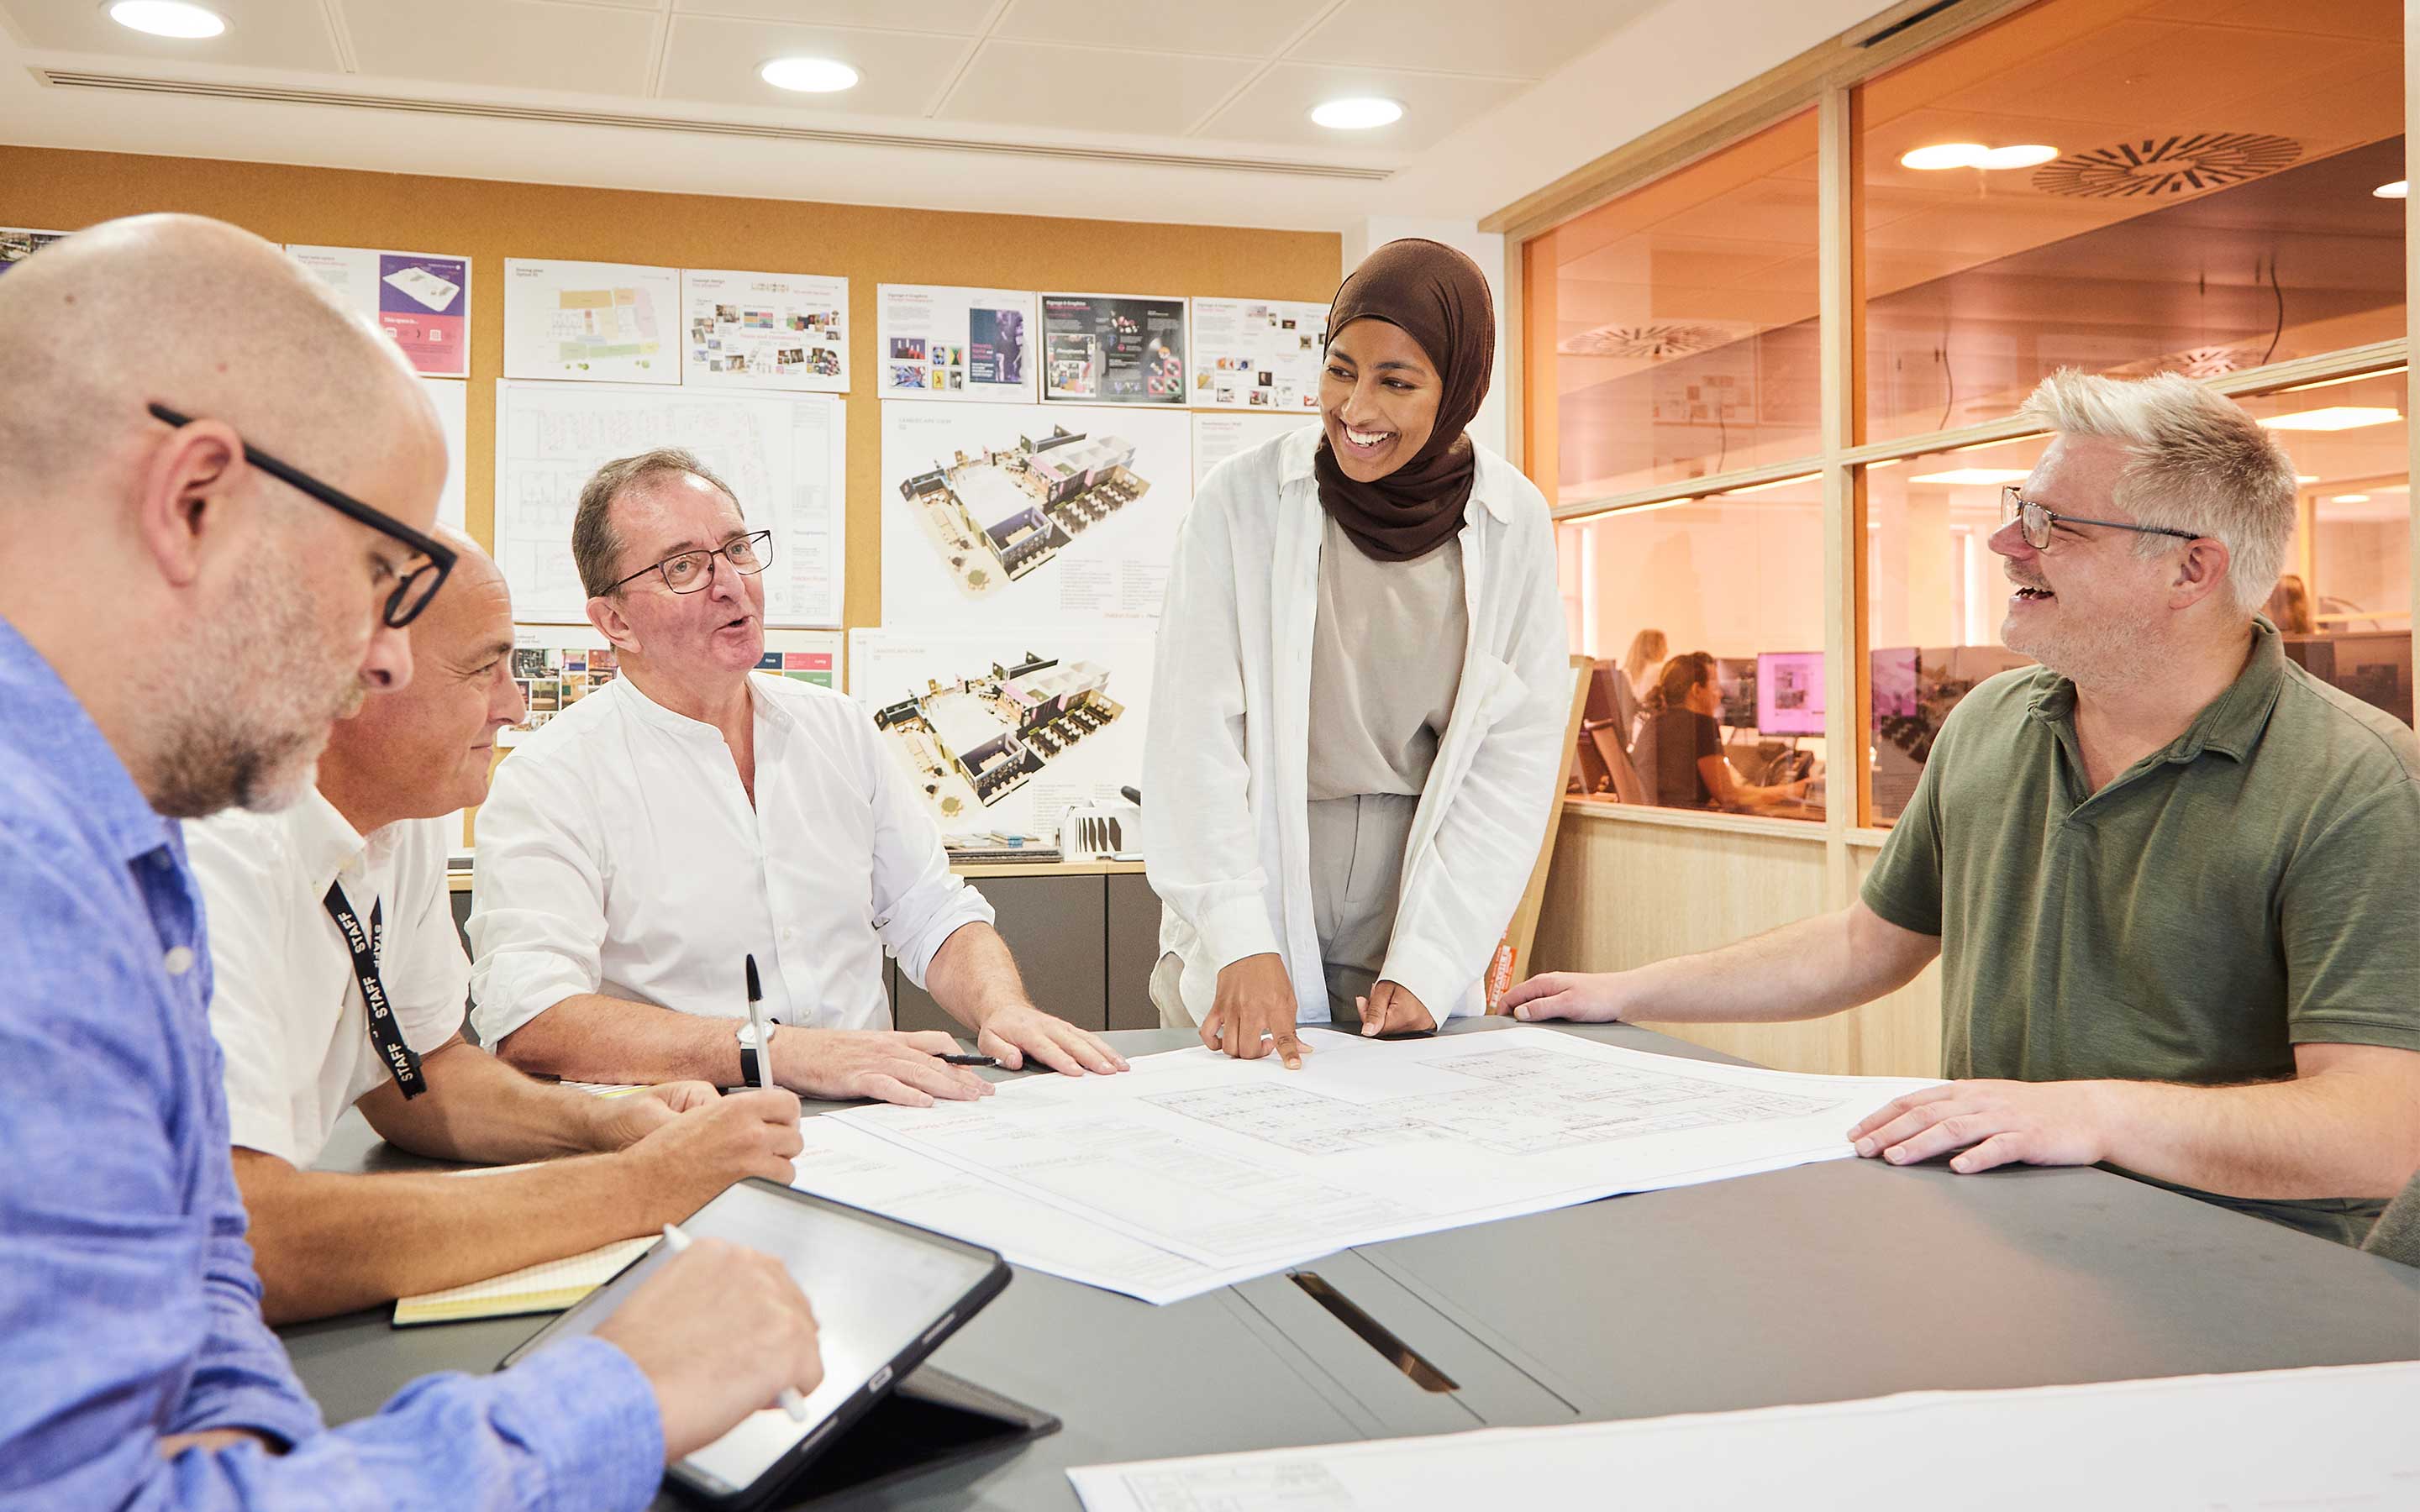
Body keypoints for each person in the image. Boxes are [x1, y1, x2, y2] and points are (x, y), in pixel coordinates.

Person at [0, 215, 818, 1507]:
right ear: (193, 502)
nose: (377, 659)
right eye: (375, 572)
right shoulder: (33, 878)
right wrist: (612, 1391)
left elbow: (205, 1311)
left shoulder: (110, 834)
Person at [1506, 371, 2420, 1247]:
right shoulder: (1992, 724)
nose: (2007, 545)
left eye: (2055, 525)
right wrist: (1626, 992)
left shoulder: (2356, 783)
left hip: (2242, 1277)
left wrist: (2096, 1113)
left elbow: (2379, 1129)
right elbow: (1867, 945)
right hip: (2003, 1233)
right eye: (2020, 510)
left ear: (2191, 569)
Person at [188, 529, 805, 1324]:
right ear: (352, 677)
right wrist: (646, 1186)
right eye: (485, 669)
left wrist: (602, 1125)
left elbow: (419, 1073)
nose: (514, 706)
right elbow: (240, 1236)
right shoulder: (211, 848)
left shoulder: (399, 819)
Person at [470, 449, 1128, 1100]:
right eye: (684, 567)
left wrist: (1001, 1008)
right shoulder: (551, 779)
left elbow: (930, 910)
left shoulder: (836, 727)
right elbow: (531, 1017)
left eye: (736, 549)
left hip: (880, 1115)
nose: (730, 582)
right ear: (615, 621)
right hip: (688, 1135)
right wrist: (780, 1054)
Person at [1144, 238, 1570, 1069]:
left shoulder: (1514, 523)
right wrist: (1237, 935)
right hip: (1259, 861)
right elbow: (1191, 733)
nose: (1356, 408)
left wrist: (1436, 959)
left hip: (1415, 885)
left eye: (1397, 382)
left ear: (1460, 391)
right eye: (1341, 370)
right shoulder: (1242, 502)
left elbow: (1510, 764)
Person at [1631, 651, 1810, 811]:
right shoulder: (1700, 725)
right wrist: (1794, 790)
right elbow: (1729, 797)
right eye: (1715, 686)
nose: (1721, 694)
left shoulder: (1653, 722)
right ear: (1696, 690)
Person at [1613, 627, 1666, 743]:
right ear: (1655, 647)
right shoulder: (1658, 670)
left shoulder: (1627, 672)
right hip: (1651, 730)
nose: (1667, 650)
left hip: (1633, 731)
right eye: (1664, 645)